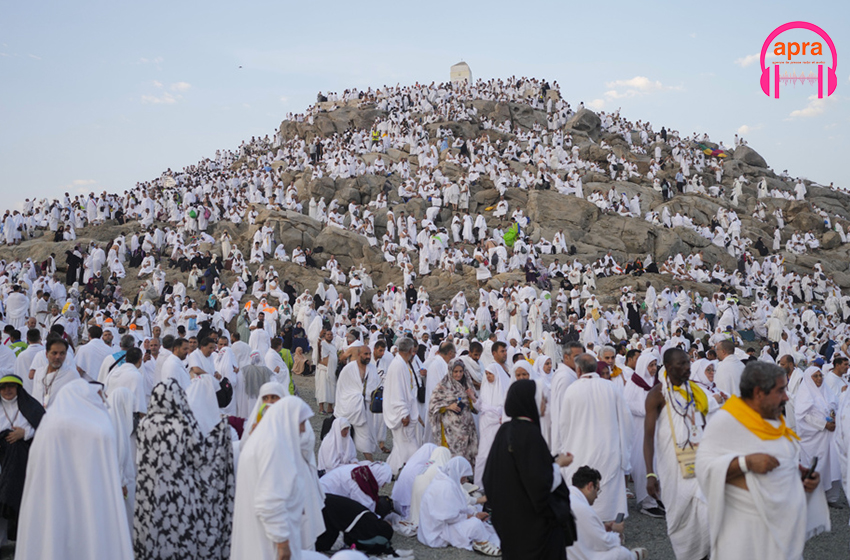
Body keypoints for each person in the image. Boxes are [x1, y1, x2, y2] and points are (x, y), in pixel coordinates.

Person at [696, 361, 824, 559]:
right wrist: (745, 463)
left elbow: (783, 461)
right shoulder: (726, 421)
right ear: (758, 393)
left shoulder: (775, 420)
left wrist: (802, 476)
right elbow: (703, 469)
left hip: (782, 534)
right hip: (745, 536)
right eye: (780, 390)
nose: (786, 397)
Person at [16, 379, 133, 559]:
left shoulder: (49, 425)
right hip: (92, 498)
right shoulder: (98, 427)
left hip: (55, 498)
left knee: (54, 540)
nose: (103, 401)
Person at [484, 379, 577, 560]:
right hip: (533, 526)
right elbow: (539, 482)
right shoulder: (529, 433)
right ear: (530, 401)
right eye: (542, 398)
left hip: (510, 521)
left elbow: (491, 477)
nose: (546, 403)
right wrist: (558, 465)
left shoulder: (505, 430)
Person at [231, 396, 326, 560]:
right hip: (269, 540)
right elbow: (269, 501)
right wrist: (282, 544)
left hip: (259, 532)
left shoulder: (262, 440)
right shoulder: (272, 446)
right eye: (301, 423)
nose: (304, 429)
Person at [643, 348, 711, 559]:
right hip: (672, 467)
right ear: (669, 367)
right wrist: (650, 473)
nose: (687, 367)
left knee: (706, 513)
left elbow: (706, 424)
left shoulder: (696, 391)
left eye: (688, 363)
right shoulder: (657, 395)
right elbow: (648, 436)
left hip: (699, 462)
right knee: (679, 520)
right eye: (681, 364)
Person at [557, 353, 631, 522]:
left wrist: (564, 449)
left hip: (579, 451)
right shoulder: (611, 388)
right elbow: (626, 421)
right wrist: (624, 451)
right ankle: (614, 533)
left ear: (578, 370)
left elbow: (564, 425)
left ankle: (587, 534)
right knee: (610, 499)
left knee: (584, 494)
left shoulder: (572, 390)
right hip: (610, 450)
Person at [418, 456, 501, 556]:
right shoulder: (445, 487)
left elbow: (459, 507)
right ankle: (481, 543)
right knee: (475, 524)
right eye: (464, 476)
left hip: (440, 526)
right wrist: (474, 517)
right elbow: (449, 517)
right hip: (437, 534)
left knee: (476, 511)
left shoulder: (446, 481)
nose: (465, 480)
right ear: (458, 472)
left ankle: (483, 536)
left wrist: (474, 513)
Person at [567, 466, 647, 560]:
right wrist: (616, 533)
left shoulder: (566, 496)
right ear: (590, 486)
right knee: (620, 553)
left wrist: (602, 527)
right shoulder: (583, 507)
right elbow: (603, 543)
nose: (596, 496)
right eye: (597, 490)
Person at [0, 374, 44, 541]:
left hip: (25, 462)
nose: (7, 390)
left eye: (11, 386)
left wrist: (25, 433)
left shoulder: (32, 407)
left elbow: (45, 427)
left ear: (18, 388)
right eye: (3, 387)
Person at [794, 366, 842, 505]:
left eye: (820, 376)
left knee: (832, 464)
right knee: (817, 465)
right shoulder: (804, 394)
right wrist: (823, 424)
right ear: (809, 378)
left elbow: (837, 407)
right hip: (814, 438)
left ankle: (832, 498)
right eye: (815, 376)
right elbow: (803, 415)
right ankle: (814, 497)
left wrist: (834, 419)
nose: (819, 379)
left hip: (830, 437)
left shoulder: (827, 391)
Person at [384, 337, 423, 474]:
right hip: (402, 413)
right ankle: (410, 469)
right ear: (411, 350)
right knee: (407, 444)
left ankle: (393, 469)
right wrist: (403, 412)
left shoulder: (401, 363)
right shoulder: (398, 366)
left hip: (406, 410)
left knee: (400, 444)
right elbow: (397, 392)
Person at [428, 359, 479, 465]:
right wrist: (448, 406)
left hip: (467, 426)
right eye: (455, 372)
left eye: (461, 371)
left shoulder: (467, 384)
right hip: (451, 430)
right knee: (454, 456)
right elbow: (433, 405)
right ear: (450, 371)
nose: (458, 374)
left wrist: (471, 397)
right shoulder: (443, 386)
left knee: (467, 454)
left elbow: (476, 408)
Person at [334, 344, 379, 460]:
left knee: (365, 437)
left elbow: (377, 386)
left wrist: (367, 396)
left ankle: (370, 462)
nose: (368, 356)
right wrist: (355, 397)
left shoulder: (372, 369)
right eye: (366, 354)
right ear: (359, 355)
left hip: (364, 408)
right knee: (343, 436)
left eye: (370, 354)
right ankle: (340, 460)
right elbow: (341, 388)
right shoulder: (348, 369)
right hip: (349, 407)